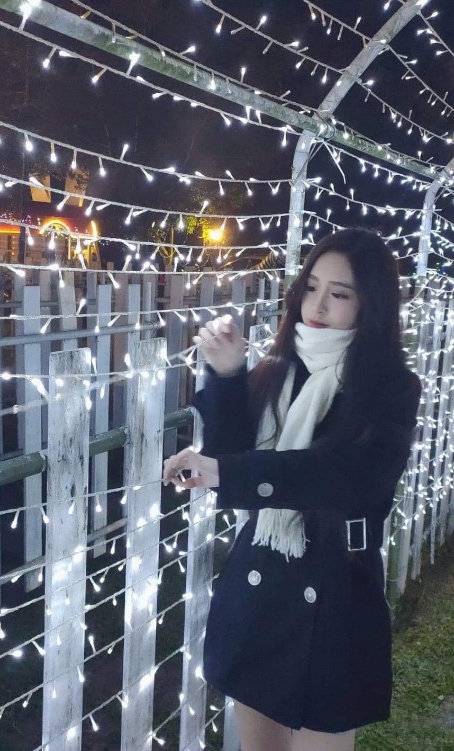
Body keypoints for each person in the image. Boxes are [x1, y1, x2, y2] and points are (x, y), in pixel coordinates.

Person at [162, 228, 421, 751]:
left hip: (335, 596)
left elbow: (351, 477)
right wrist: (228, 375)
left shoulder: (389, 386)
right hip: (259, 589)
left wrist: (230, 472)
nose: (317, 305)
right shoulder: (277, 372)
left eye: (339, 294)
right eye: (311, 287)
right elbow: (233, 456)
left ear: (370, 305)